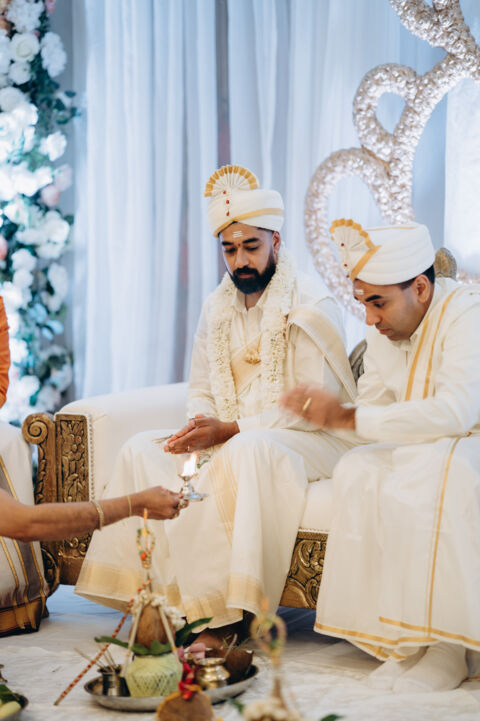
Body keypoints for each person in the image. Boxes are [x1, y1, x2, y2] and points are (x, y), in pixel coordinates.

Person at [75, 165, 357, 644]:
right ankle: (160, 605)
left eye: (251, 246)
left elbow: (311, 407)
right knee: (145, 449)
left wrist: (229, 431)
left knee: (245, 452)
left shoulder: (311, 304)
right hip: (235, 435)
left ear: (276, 242)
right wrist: (198, 426)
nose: (240, 260)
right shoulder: (217, 306)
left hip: (314, 439)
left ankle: (223, 620)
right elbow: (202, 385)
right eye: (230, 249)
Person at [281, 218, 480, 693]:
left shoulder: (467, 314)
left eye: (378, 302)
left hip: (469, 439)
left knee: (434, 469)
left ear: (421, 288)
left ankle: (448, 649)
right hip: (424, 441)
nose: (369, 319)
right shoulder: (382, 332)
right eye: (363, 303)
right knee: (359, 468)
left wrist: (348, 417)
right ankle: (404, 643)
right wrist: (326, 415)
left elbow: (456, 411)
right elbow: (370, 407)